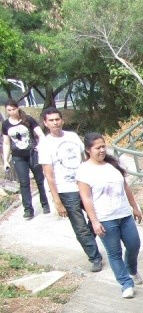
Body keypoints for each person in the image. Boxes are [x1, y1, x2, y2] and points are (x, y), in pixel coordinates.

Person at [38, 107, 104, 273]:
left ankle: (90, 240)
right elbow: (49, 175)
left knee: (98, 215)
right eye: (51, 120)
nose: (55, 123)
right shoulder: (45, 145)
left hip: (84, 184)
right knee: (80, 225)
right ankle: (94, 257)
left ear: (62, 120)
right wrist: (57, 201)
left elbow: (85, 159)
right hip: (65, 190)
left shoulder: (73, 137)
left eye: (57, 119)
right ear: (45, 123)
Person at [76, 133, 142, 298]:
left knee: (134, 245)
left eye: (103, 146)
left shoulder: (112, 165)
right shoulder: (84, 170)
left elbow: (125, 186)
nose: (102, 150)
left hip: (124, 214)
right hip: (105, 218)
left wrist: (134, 206)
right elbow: (86, 198)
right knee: (114, 253)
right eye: (98, 147)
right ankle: (126, 283)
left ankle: (131, 269)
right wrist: (94, 221)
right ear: (88, 150)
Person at [2, 99, 48, 219]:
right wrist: (5, 160)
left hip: (32, 153)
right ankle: (28, 209)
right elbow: (6, 143)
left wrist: (39, 146)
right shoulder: (6, 124)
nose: (12, 112)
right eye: (9, 110)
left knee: (39, 179)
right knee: (24, 182)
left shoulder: (28, 119)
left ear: (18, 108)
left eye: (13, 109)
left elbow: (40, 134)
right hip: (18, 156)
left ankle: (45, 204)